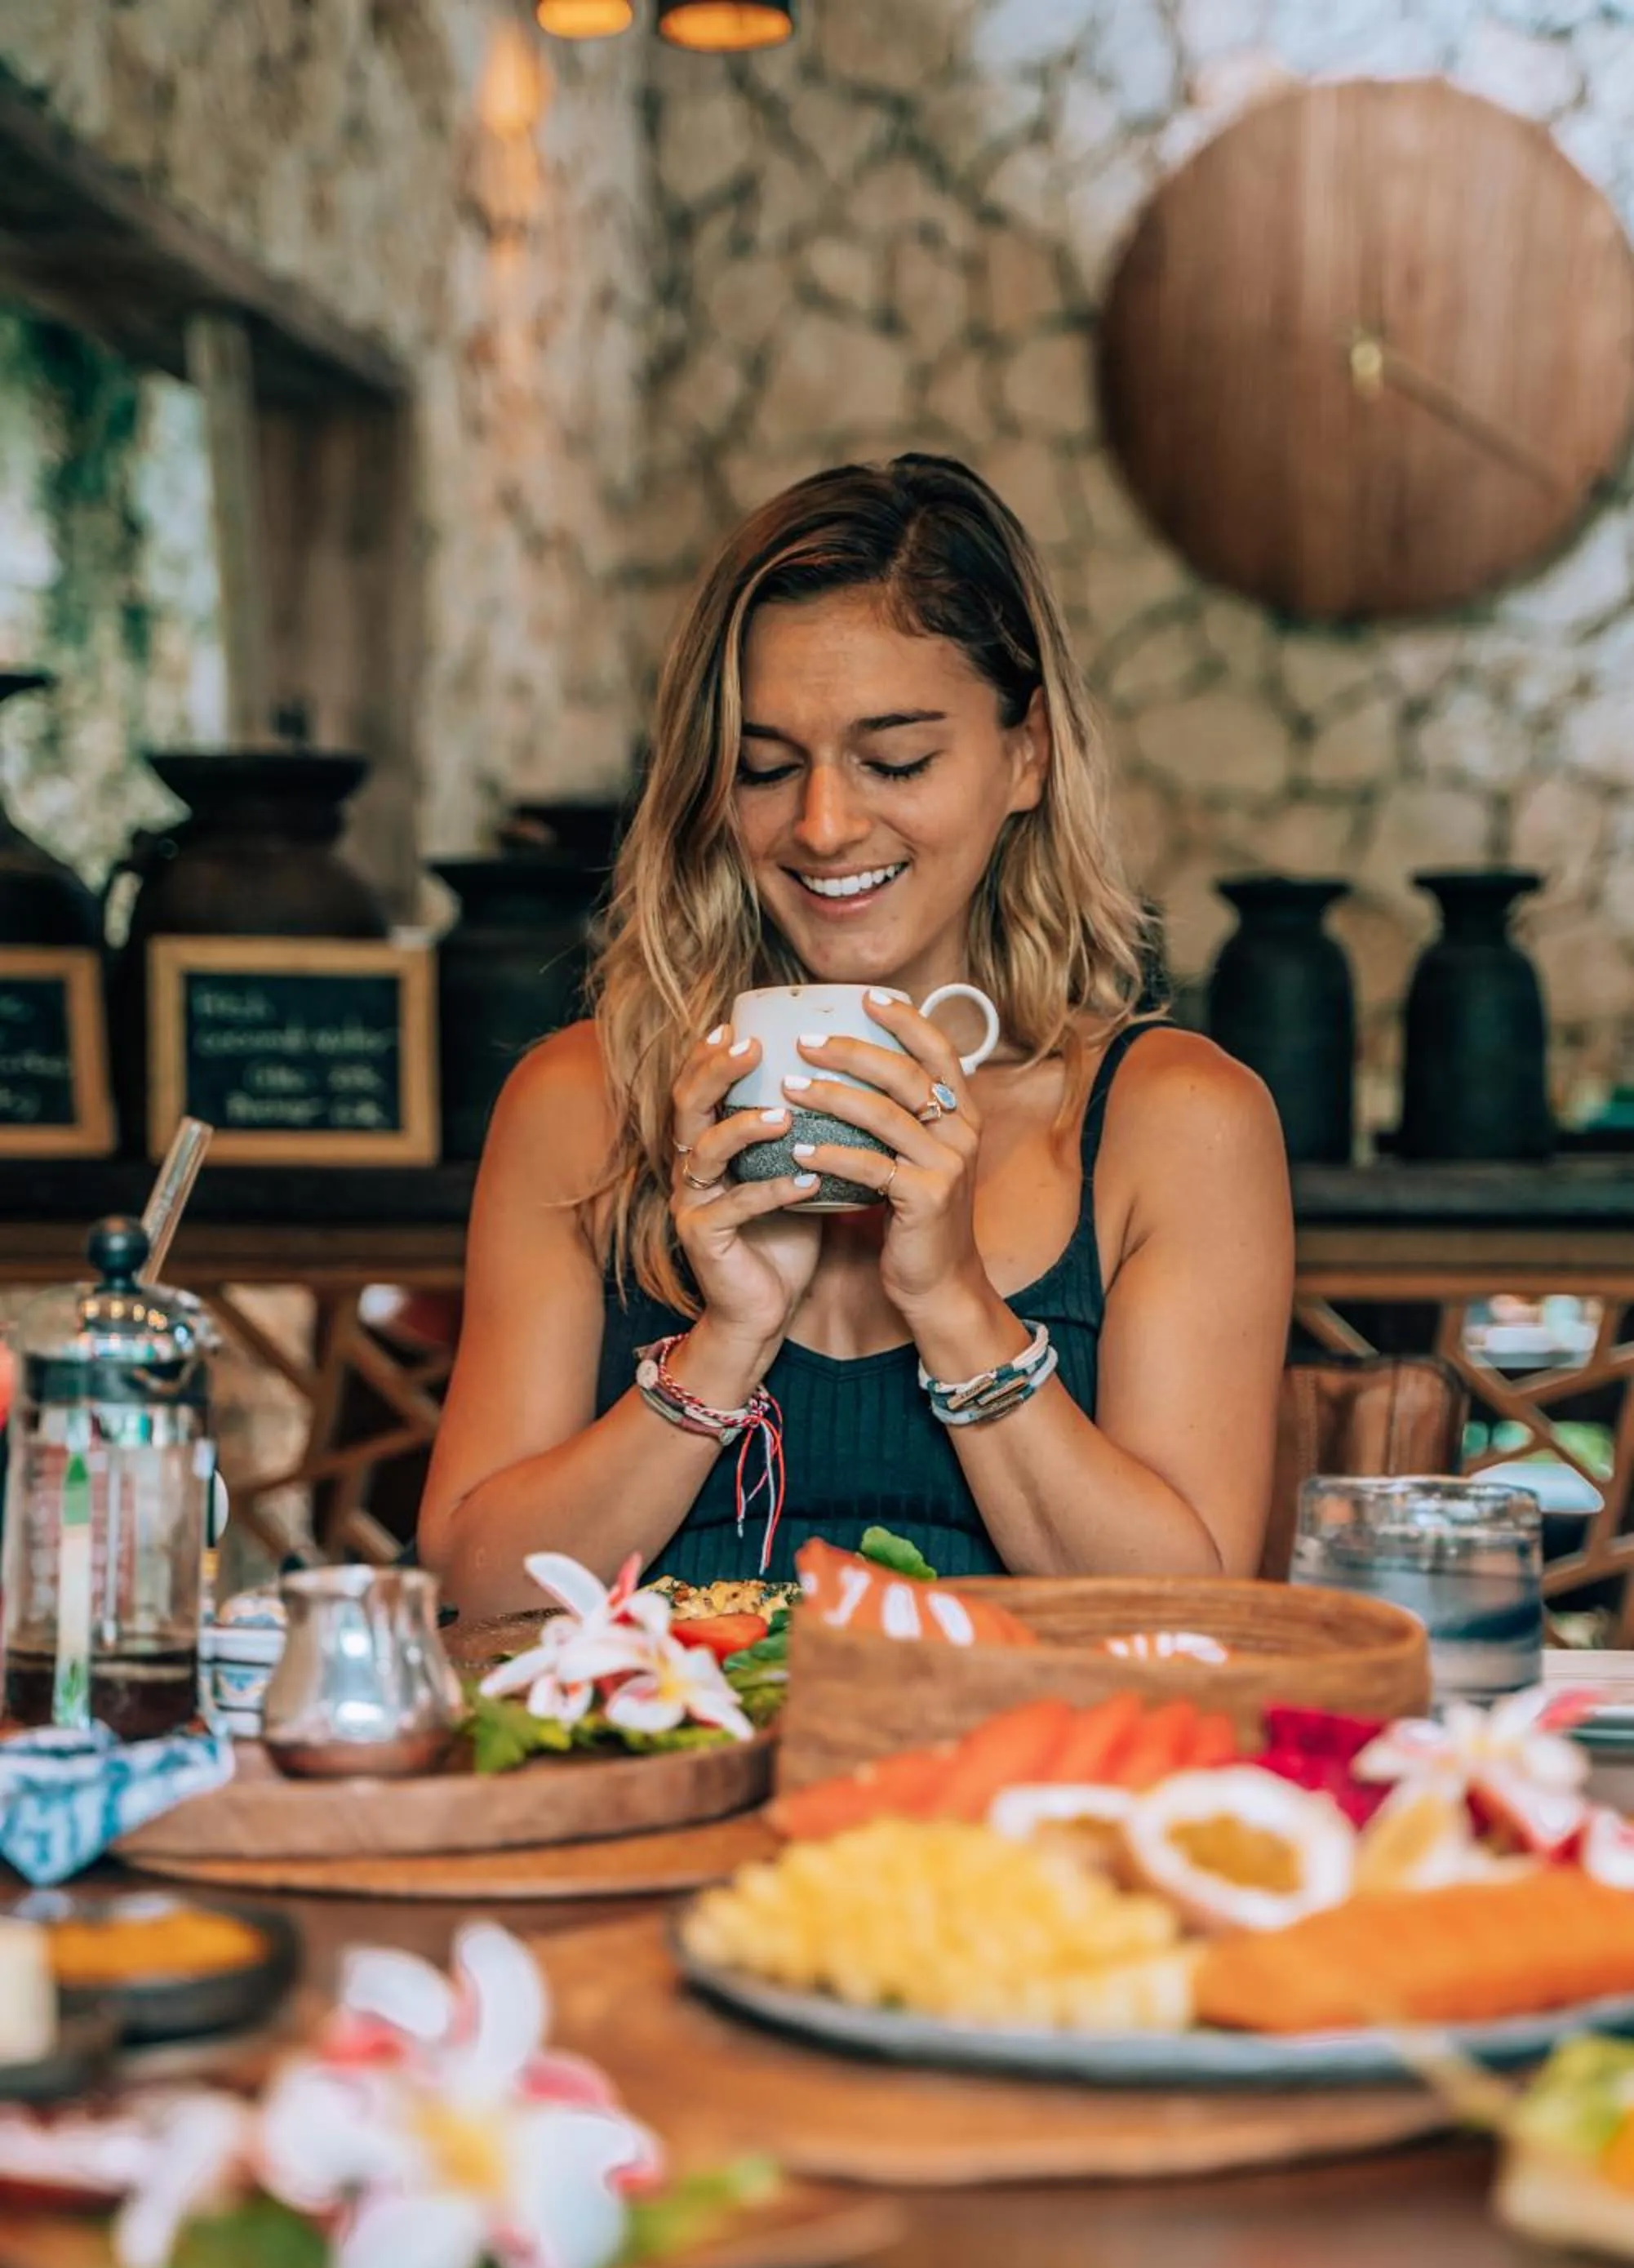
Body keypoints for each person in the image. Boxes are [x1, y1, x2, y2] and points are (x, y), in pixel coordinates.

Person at [420, 454, 1293, 1618]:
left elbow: (1187, 1618)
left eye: (895, 761)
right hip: (654, 1776)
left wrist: (951, 1301)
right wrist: (724, 1339)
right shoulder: (579, 1102)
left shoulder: (1173, 1123)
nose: (823, 826)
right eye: (766, 768)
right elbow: (474, 1590)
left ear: (1024, 754)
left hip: (1014, 1790)